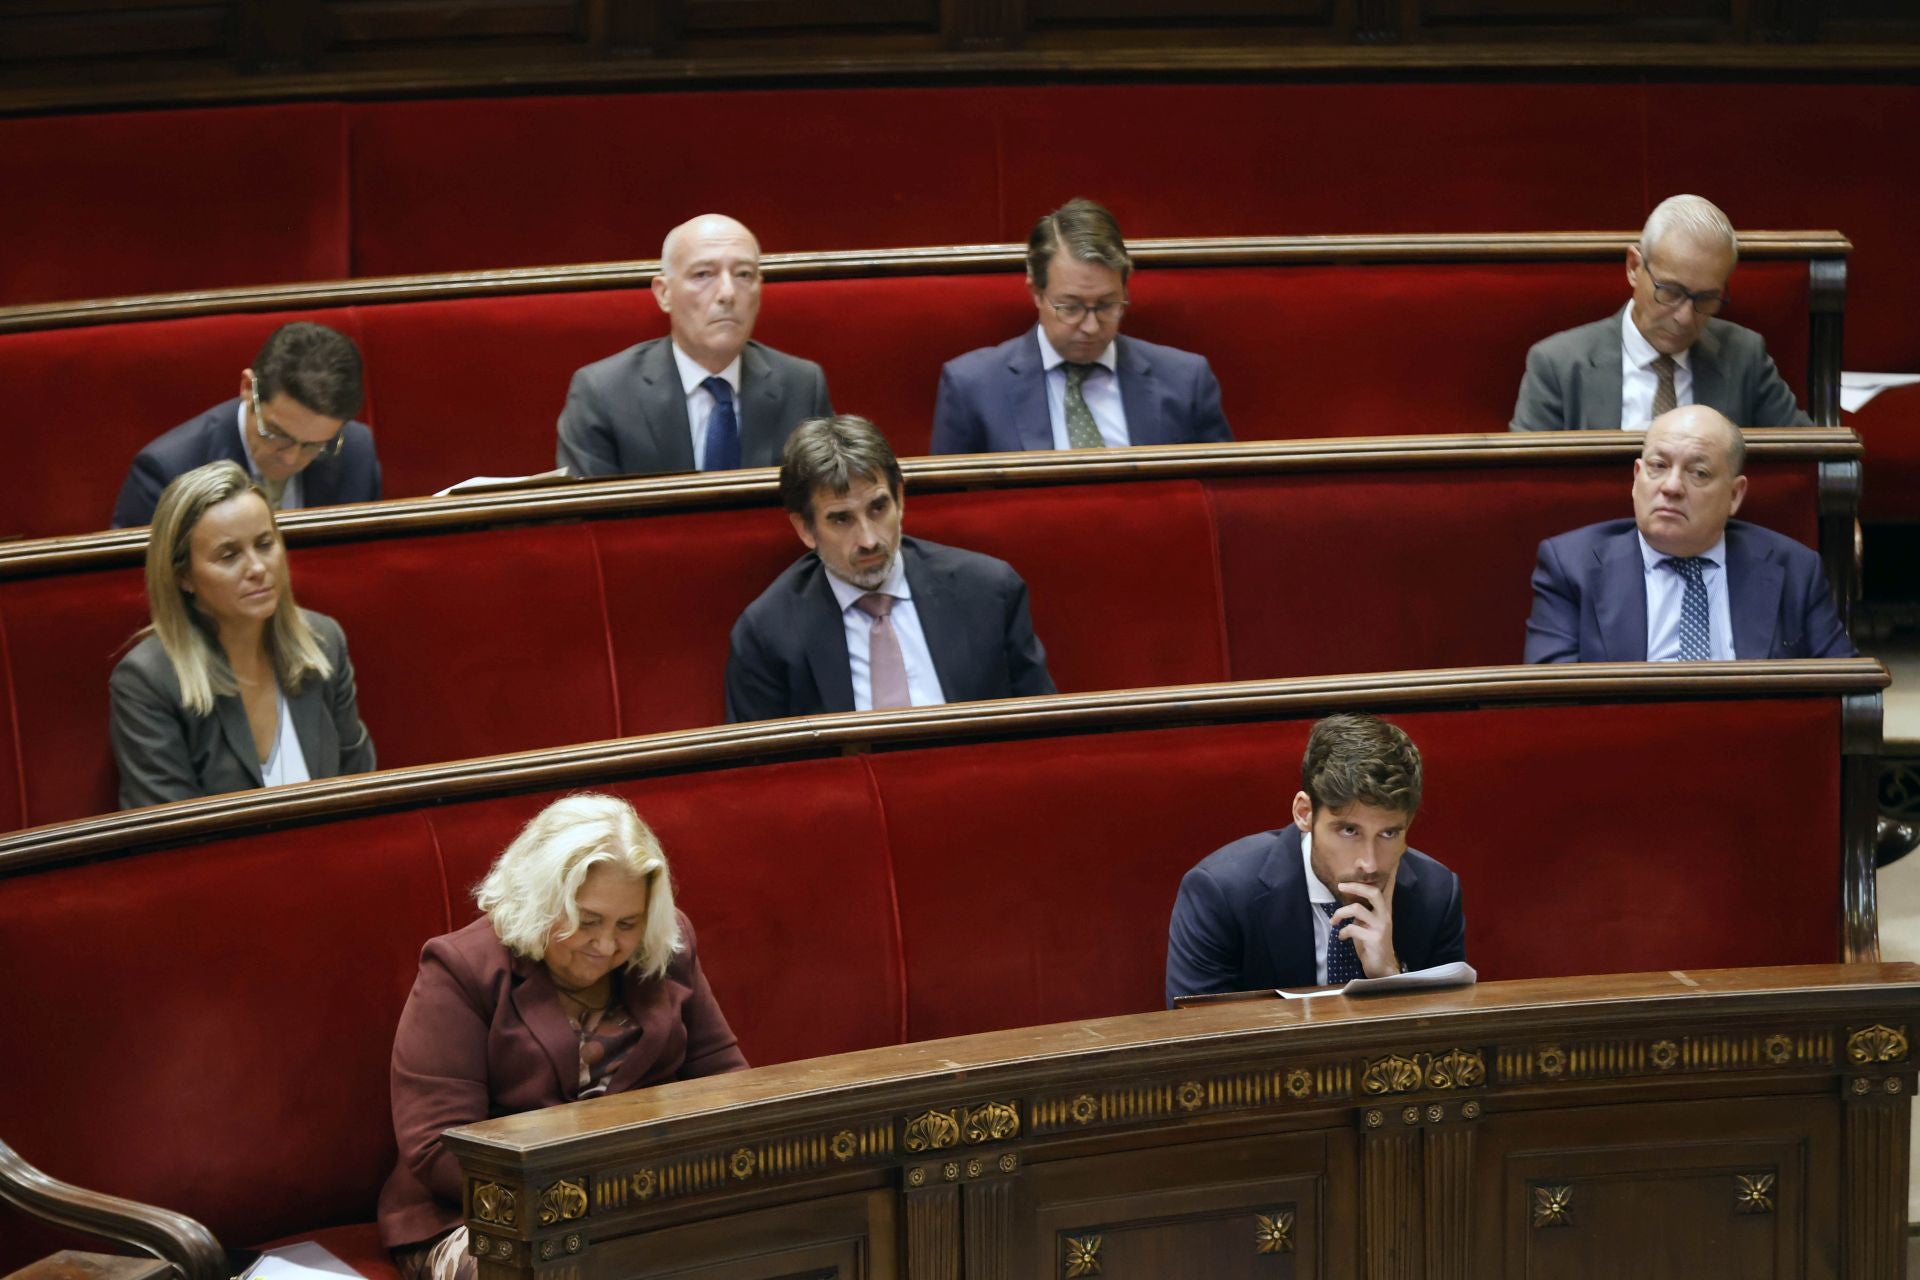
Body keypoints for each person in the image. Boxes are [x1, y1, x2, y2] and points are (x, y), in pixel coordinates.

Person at [377, 793, 746, 1280]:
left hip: (642, 1203)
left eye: (627, 924)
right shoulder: (462, 968)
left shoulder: (666, 947)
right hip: (480, 1216)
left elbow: (727, 1086)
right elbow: (436, 1146)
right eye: (586, 921)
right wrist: (588, 1199)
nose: (607, 945)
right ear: (541, 899)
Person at [725, 414, 1056, 722]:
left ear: (900, 498)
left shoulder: (989, 592)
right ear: (805, 529)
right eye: (842, 519)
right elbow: (763, 777)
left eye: (878, 507)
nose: (868, 540)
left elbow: (1041, 734)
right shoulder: (767, 634)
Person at [108, 460, 376, 809]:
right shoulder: (148, 681)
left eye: (265, 544)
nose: (258, 568)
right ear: (183, 577)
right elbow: (167, 841)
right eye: (229, 555)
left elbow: (363, 790)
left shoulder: (323, 640)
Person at [1165, 713, 1465, 1004]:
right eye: (1349, 831)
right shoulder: (1221, 894)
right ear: (1304, 813)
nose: (1369, 864)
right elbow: (1201, 1039)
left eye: (1388, 834)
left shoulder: (1435, 896)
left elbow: (1453, 1045)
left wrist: (1391, 977)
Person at [1524, 405, 1855, 663]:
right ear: (1637, 477)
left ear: (1735, 495)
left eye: (1698, 472)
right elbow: (1551, 700)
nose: (1671, 487)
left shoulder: (1794, 568)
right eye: (1658, 466)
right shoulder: (1571, 565)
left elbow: (1842, 685)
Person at [930, 198, 1233, 455]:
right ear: (1036, 292)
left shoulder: (1186, 380)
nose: (1090, 327)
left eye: (1106, 305)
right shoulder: (972, 387)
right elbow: (949, 512)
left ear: (1125, 291)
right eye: (1071, 307)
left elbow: (1219, 499)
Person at [556, 213, 833, 478]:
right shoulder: (603, 393)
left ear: (759, 291)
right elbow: (588, 523)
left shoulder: (803, 385)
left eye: (744, 275)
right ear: (664, 294)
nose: (727, 293)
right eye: (703, 274)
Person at [1510, 194, 1812, 432]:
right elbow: (1524, 488)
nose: (1685, 317)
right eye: (1670, 292)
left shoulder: (1744, 356)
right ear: (1633, 267)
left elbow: (1806, 463)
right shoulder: (1557, 365)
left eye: (1706, 298)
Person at [112, 322, 381, 528]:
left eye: (314, 445)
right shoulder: (167, 473)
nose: (290, 458)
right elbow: (133, 588)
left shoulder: (356, 452)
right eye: (276, 434)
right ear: (247, 388)